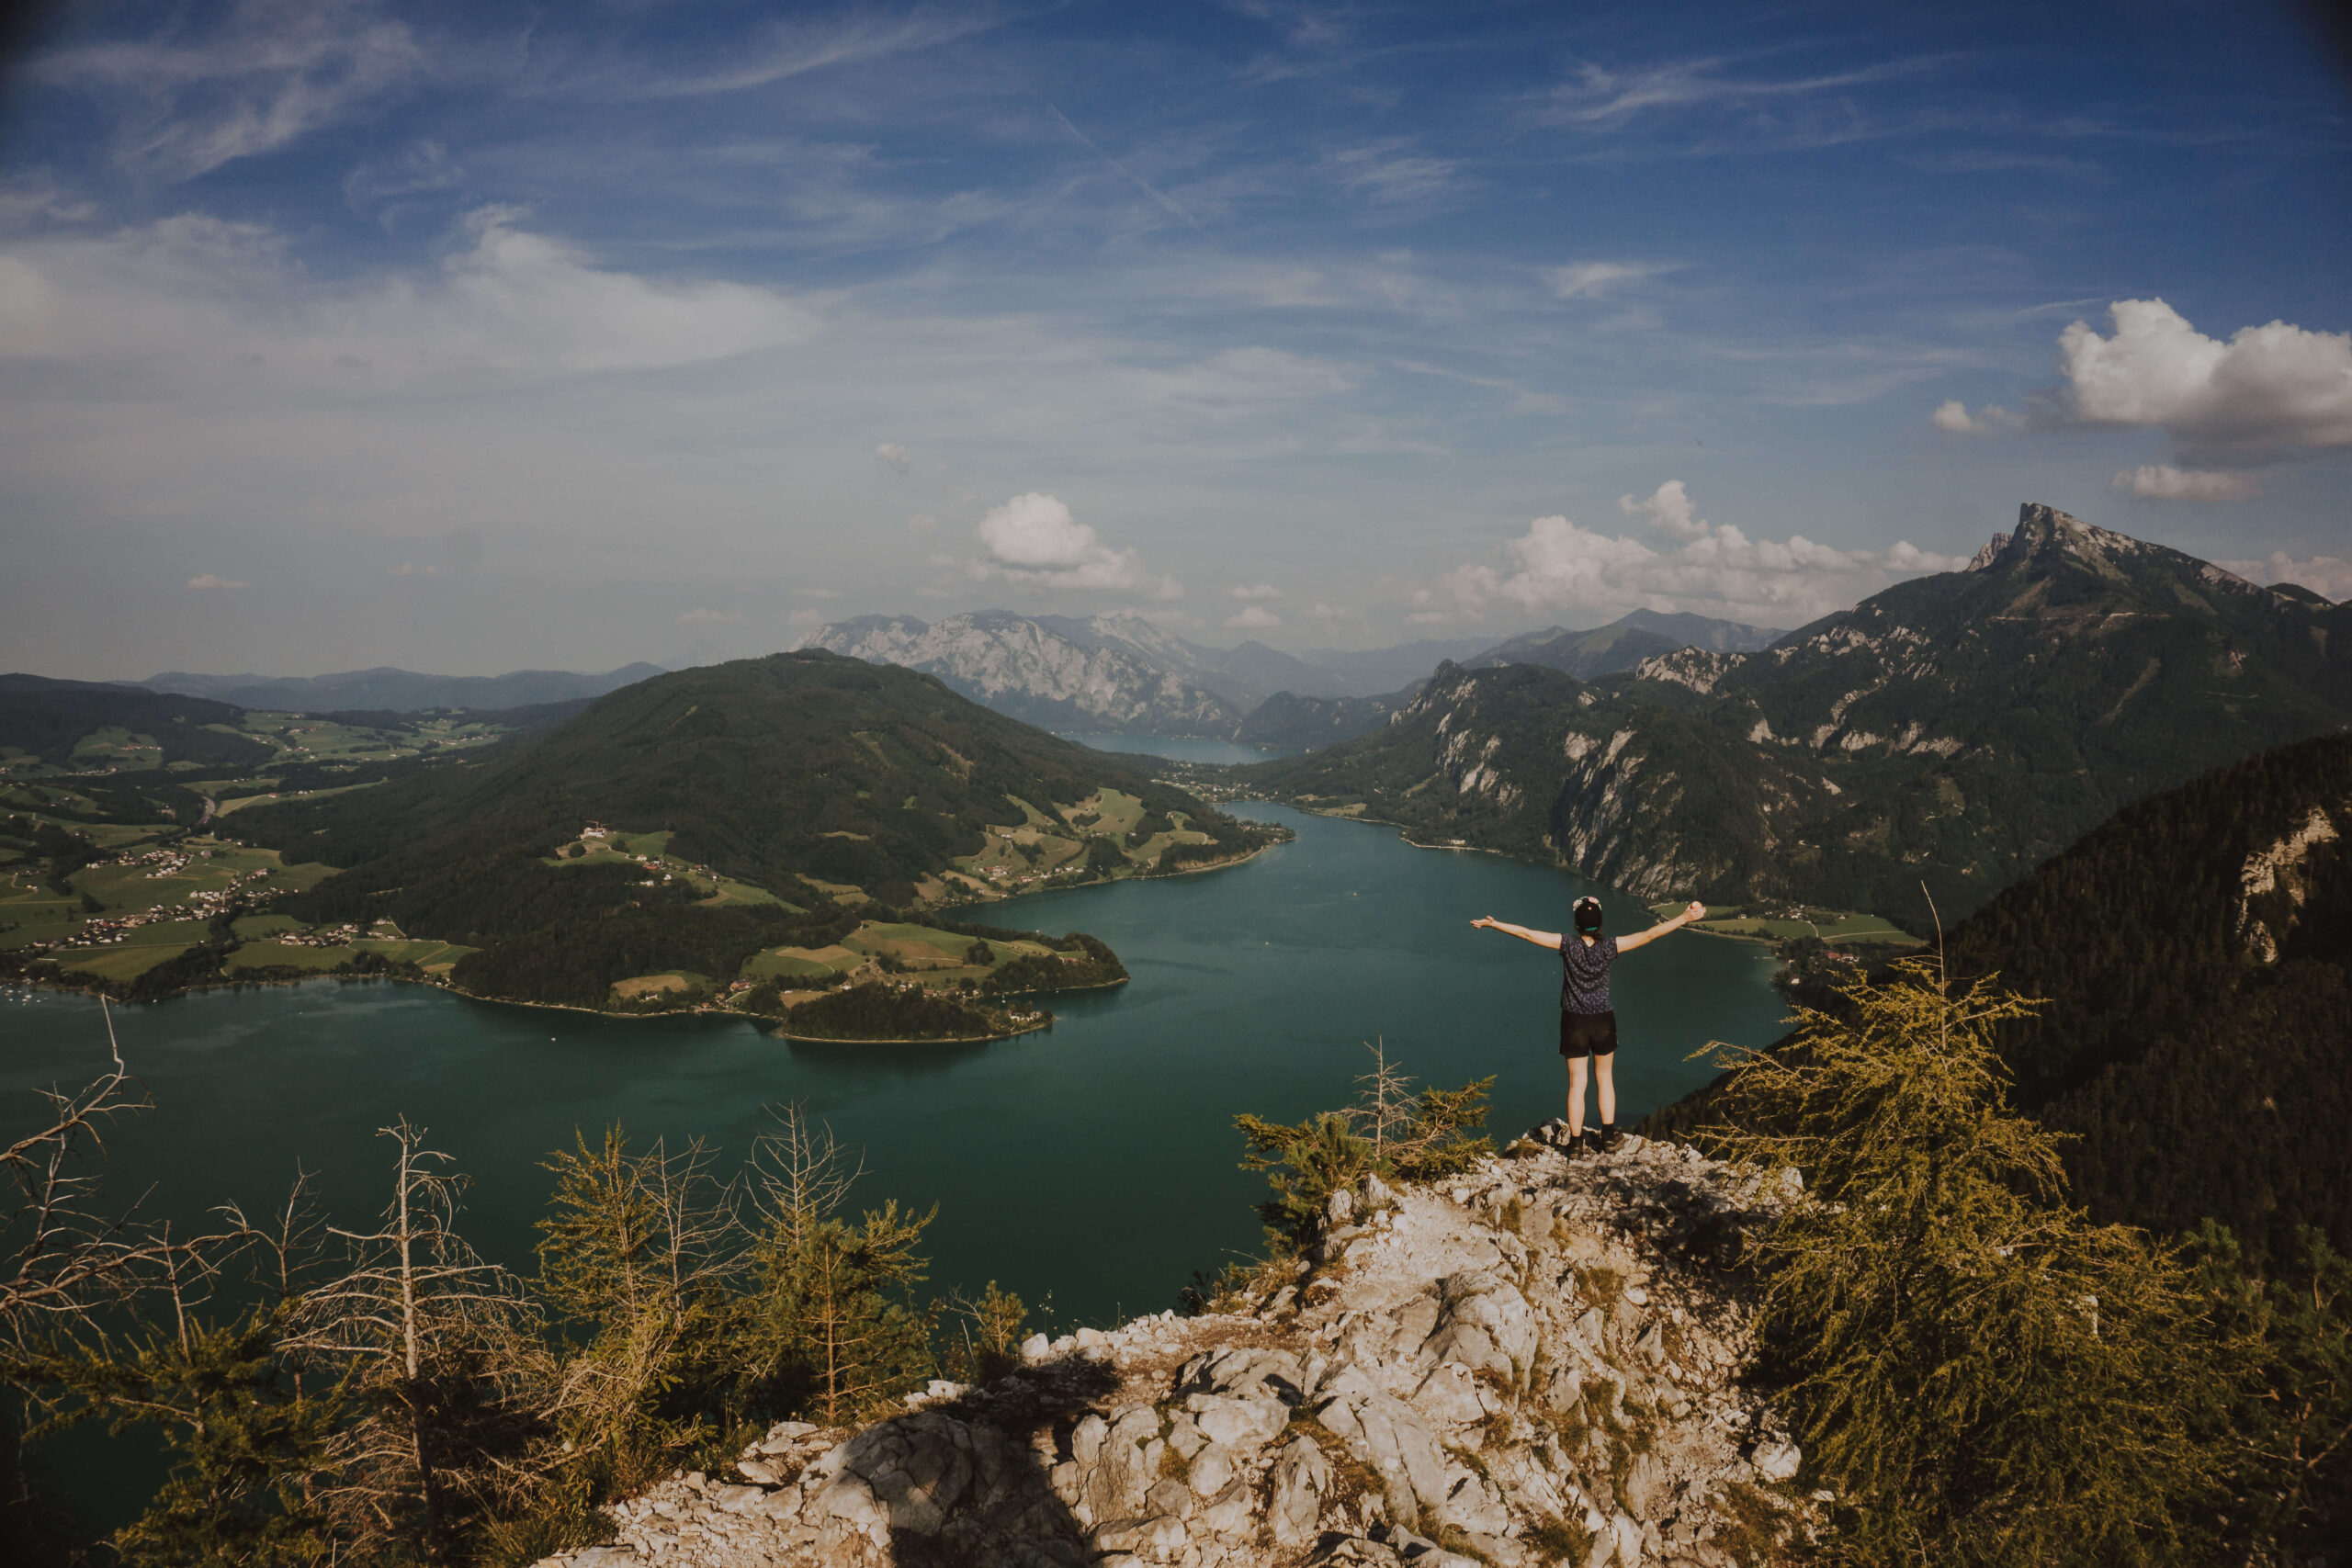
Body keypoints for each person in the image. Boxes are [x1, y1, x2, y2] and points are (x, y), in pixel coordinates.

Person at [1471, 895, 1706, 1152]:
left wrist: (1495, 924)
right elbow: (1650, 934)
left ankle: (1575, 1143)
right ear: (1600, 923)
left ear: (1577, 925)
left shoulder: (1567, 945)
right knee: (1605, 1078)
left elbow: (1527, 934)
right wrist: (1684, 917)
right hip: (1602, 1020)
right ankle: (1608, 1136)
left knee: (1577, 1084)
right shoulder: (1610, 948)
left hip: (1573, 1022)